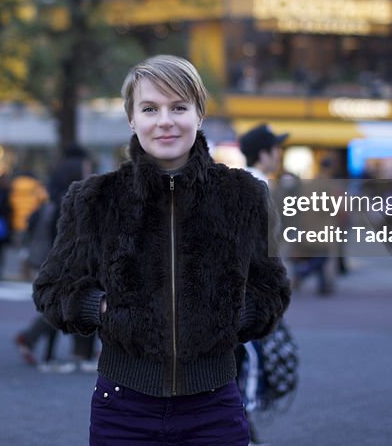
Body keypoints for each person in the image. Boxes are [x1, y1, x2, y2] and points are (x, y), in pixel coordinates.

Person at [34, 55, 291, 445]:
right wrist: (104, 309)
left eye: (179, 107)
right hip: (123, 407)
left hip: (214, 406)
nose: (165, 120)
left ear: (199, 115)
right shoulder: (94, 199)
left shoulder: (244, 196)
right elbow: (53, 291)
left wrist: (229, 313)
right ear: (132, 119)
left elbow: (272, 292)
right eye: (150, 108)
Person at [15, 145, 93, 370]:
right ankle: (33, 339)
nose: (90, 173)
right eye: (86, 170)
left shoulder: (58, 199)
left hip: (61, 261)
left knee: (73, 303)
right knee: (70, 304)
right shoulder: (72, 203)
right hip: (70, 263)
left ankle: (76, 353)